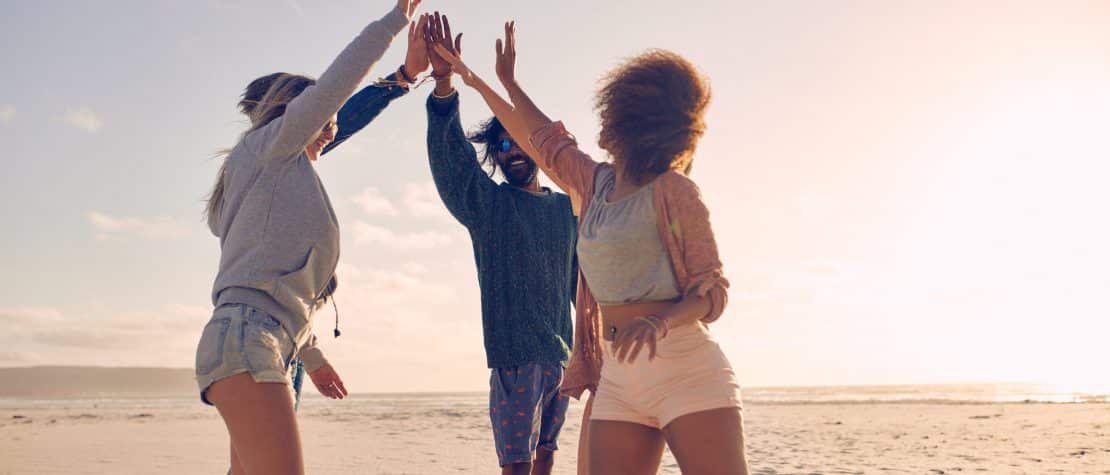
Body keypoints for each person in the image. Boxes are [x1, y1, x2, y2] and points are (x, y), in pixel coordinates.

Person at [434, 21, 750, 475]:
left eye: (612, 113)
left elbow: (712, 291)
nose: (601, 118)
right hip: (620, 377)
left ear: (634, 125)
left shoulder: (673, 191)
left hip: (686, 369)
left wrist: (661, 321)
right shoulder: (595, 183)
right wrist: (490, 81)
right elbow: (543, 137)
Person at [193, 2, 422, 474]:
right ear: (296, 115)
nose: (332, 127)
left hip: (263, 340)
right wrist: (397, 18)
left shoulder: (272, 179)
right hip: (248, 338)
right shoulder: (270, 150)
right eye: (323, 115)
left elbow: (274, 280)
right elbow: (341, 83)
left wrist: (311, 354)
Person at [422, 13, 578, 475]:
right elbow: (453, 164)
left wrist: (594, 351)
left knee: (548, 458)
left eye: (517, 142)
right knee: (517, 466)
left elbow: (580, 285)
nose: (509, 151)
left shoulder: (566, 207)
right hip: (514, 357)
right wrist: (445, 85)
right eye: (501, 146)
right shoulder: (488, 206)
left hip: (563, 358)